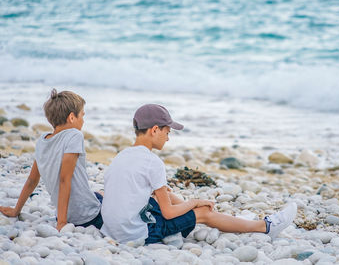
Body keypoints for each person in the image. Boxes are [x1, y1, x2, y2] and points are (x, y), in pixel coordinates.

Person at [101, 104, 297, 244]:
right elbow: (168, 213)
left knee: (165, 194)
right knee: (202, 212)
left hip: (112, 229)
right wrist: (194, 203)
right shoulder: (153, 162)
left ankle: (215, 215)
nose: (168, 138)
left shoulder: (122, 156)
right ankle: (264, 226)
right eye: (167, 132)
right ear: (154, 130)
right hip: (137, 234)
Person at [0, 89, 103, 231]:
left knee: (100, 194)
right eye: (82, 116)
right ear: (72, 117)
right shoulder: (75, 135)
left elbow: (32, 180)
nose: (83, 121)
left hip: (66, 213)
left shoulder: (42, 141)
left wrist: (15, 211)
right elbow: (64, 180)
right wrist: (61, 223)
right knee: (115, 199)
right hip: (89, 217)